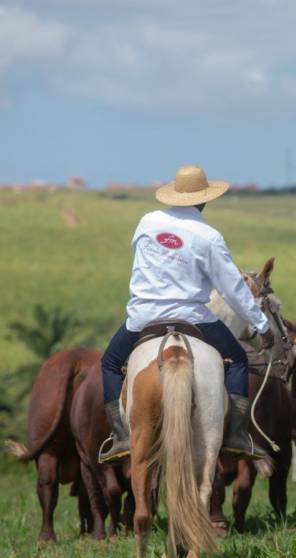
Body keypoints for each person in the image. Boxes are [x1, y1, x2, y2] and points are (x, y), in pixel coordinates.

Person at [98, 164, 274, 464]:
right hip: (195, 319)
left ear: (174, 194)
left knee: (110, 364)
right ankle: (235, 435)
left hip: (143, 317)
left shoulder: (147, 222)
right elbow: (232, 287)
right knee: (238, 363)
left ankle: (121, 437)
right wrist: (262, 325)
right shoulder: (209, 236)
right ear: (205, 199)